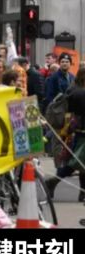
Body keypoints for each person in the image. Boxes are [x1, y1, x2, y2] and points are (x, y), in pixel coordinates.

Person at [45, 66, 85, 207]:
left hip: (74, 130)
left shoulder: (73, 89)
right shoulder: (81, 92)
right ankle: (54, 181)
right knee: (76, 163)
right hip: (81, 131)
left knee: (79, 162)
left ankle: (82, 192)